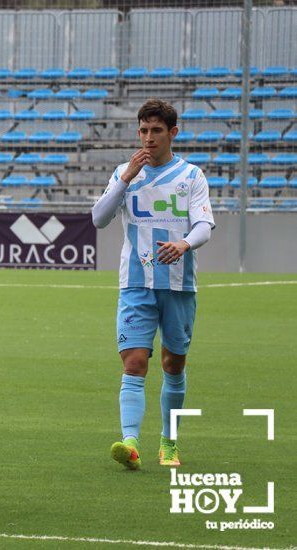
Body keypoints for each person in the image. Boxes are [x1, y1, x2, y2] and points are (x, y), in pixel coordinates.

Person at [92, 98, 214, 470]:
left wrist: (184, 243)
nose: (148, 138)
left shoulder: (191, 176)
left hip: (178, 286)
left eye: (156, 131)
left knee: (173, 364)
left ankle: (169, 442)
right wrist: (126, 177)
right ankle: (130, 443)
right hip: (135, 284)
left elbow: (204, 226)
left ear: (172, 133)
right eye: (143, 130)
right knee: (133, 362)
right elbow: (98, 219)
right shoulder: (124, 174)